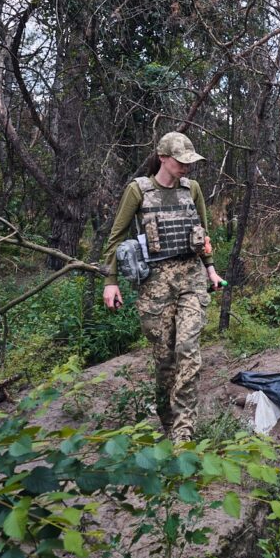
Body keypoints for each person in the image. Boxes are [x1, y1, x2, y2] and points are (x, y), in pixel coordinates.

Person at [101, 132, 224, 442]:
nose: (187, 167)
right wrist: (110, 282)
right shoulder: (138, 191)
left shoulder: (192, 189)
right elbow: (116, 239)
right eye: (181, 162)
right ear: (164, 158)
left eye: (189, 162)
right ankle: (168, 422)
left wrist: (210, 270)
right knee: (165, 361)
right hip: (155, 285)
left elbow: (202, 235)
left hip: (191, 277)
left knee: (188, 351)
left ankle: (184, 434)